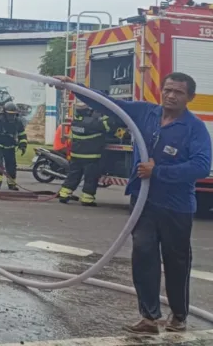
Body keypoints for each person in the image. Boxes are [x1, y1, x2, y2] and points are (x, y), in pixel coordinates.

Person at [56, 72, 211, 335]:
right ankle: (149, 318)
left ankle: (179, 316)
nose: (171, 95)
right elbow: (105, 103)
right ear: (161, 90)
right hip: (143, 201)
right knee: (143, 254)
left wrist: (158, 172)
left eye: (179, 92)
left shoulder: (194, 128)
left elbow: (201, 165)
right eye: (168, 89)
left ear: (190, 98)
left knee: (176, 262)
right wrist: (73, 87)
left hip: (176, 206)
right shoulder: (144, 113)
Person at [57, 99, 117, 206]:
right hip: (91, 157)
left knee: (73, 176)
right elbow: (110, 124)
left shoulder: (75, 122)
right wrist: (108, 111)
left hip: (76, 155)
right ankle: (87, 199)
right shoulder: (93, 123)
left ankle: (64, 194)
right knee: (90, 179)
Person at [0, 101, 28, 191]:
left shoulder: (18, 122)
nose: (11, 117)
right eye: (9, 114)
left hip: (10, 147)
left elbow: (22, 134)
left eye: (13, 114)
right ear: (4, 113)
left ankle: (11, 184)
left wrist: (23, 145)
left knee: (11, 166)